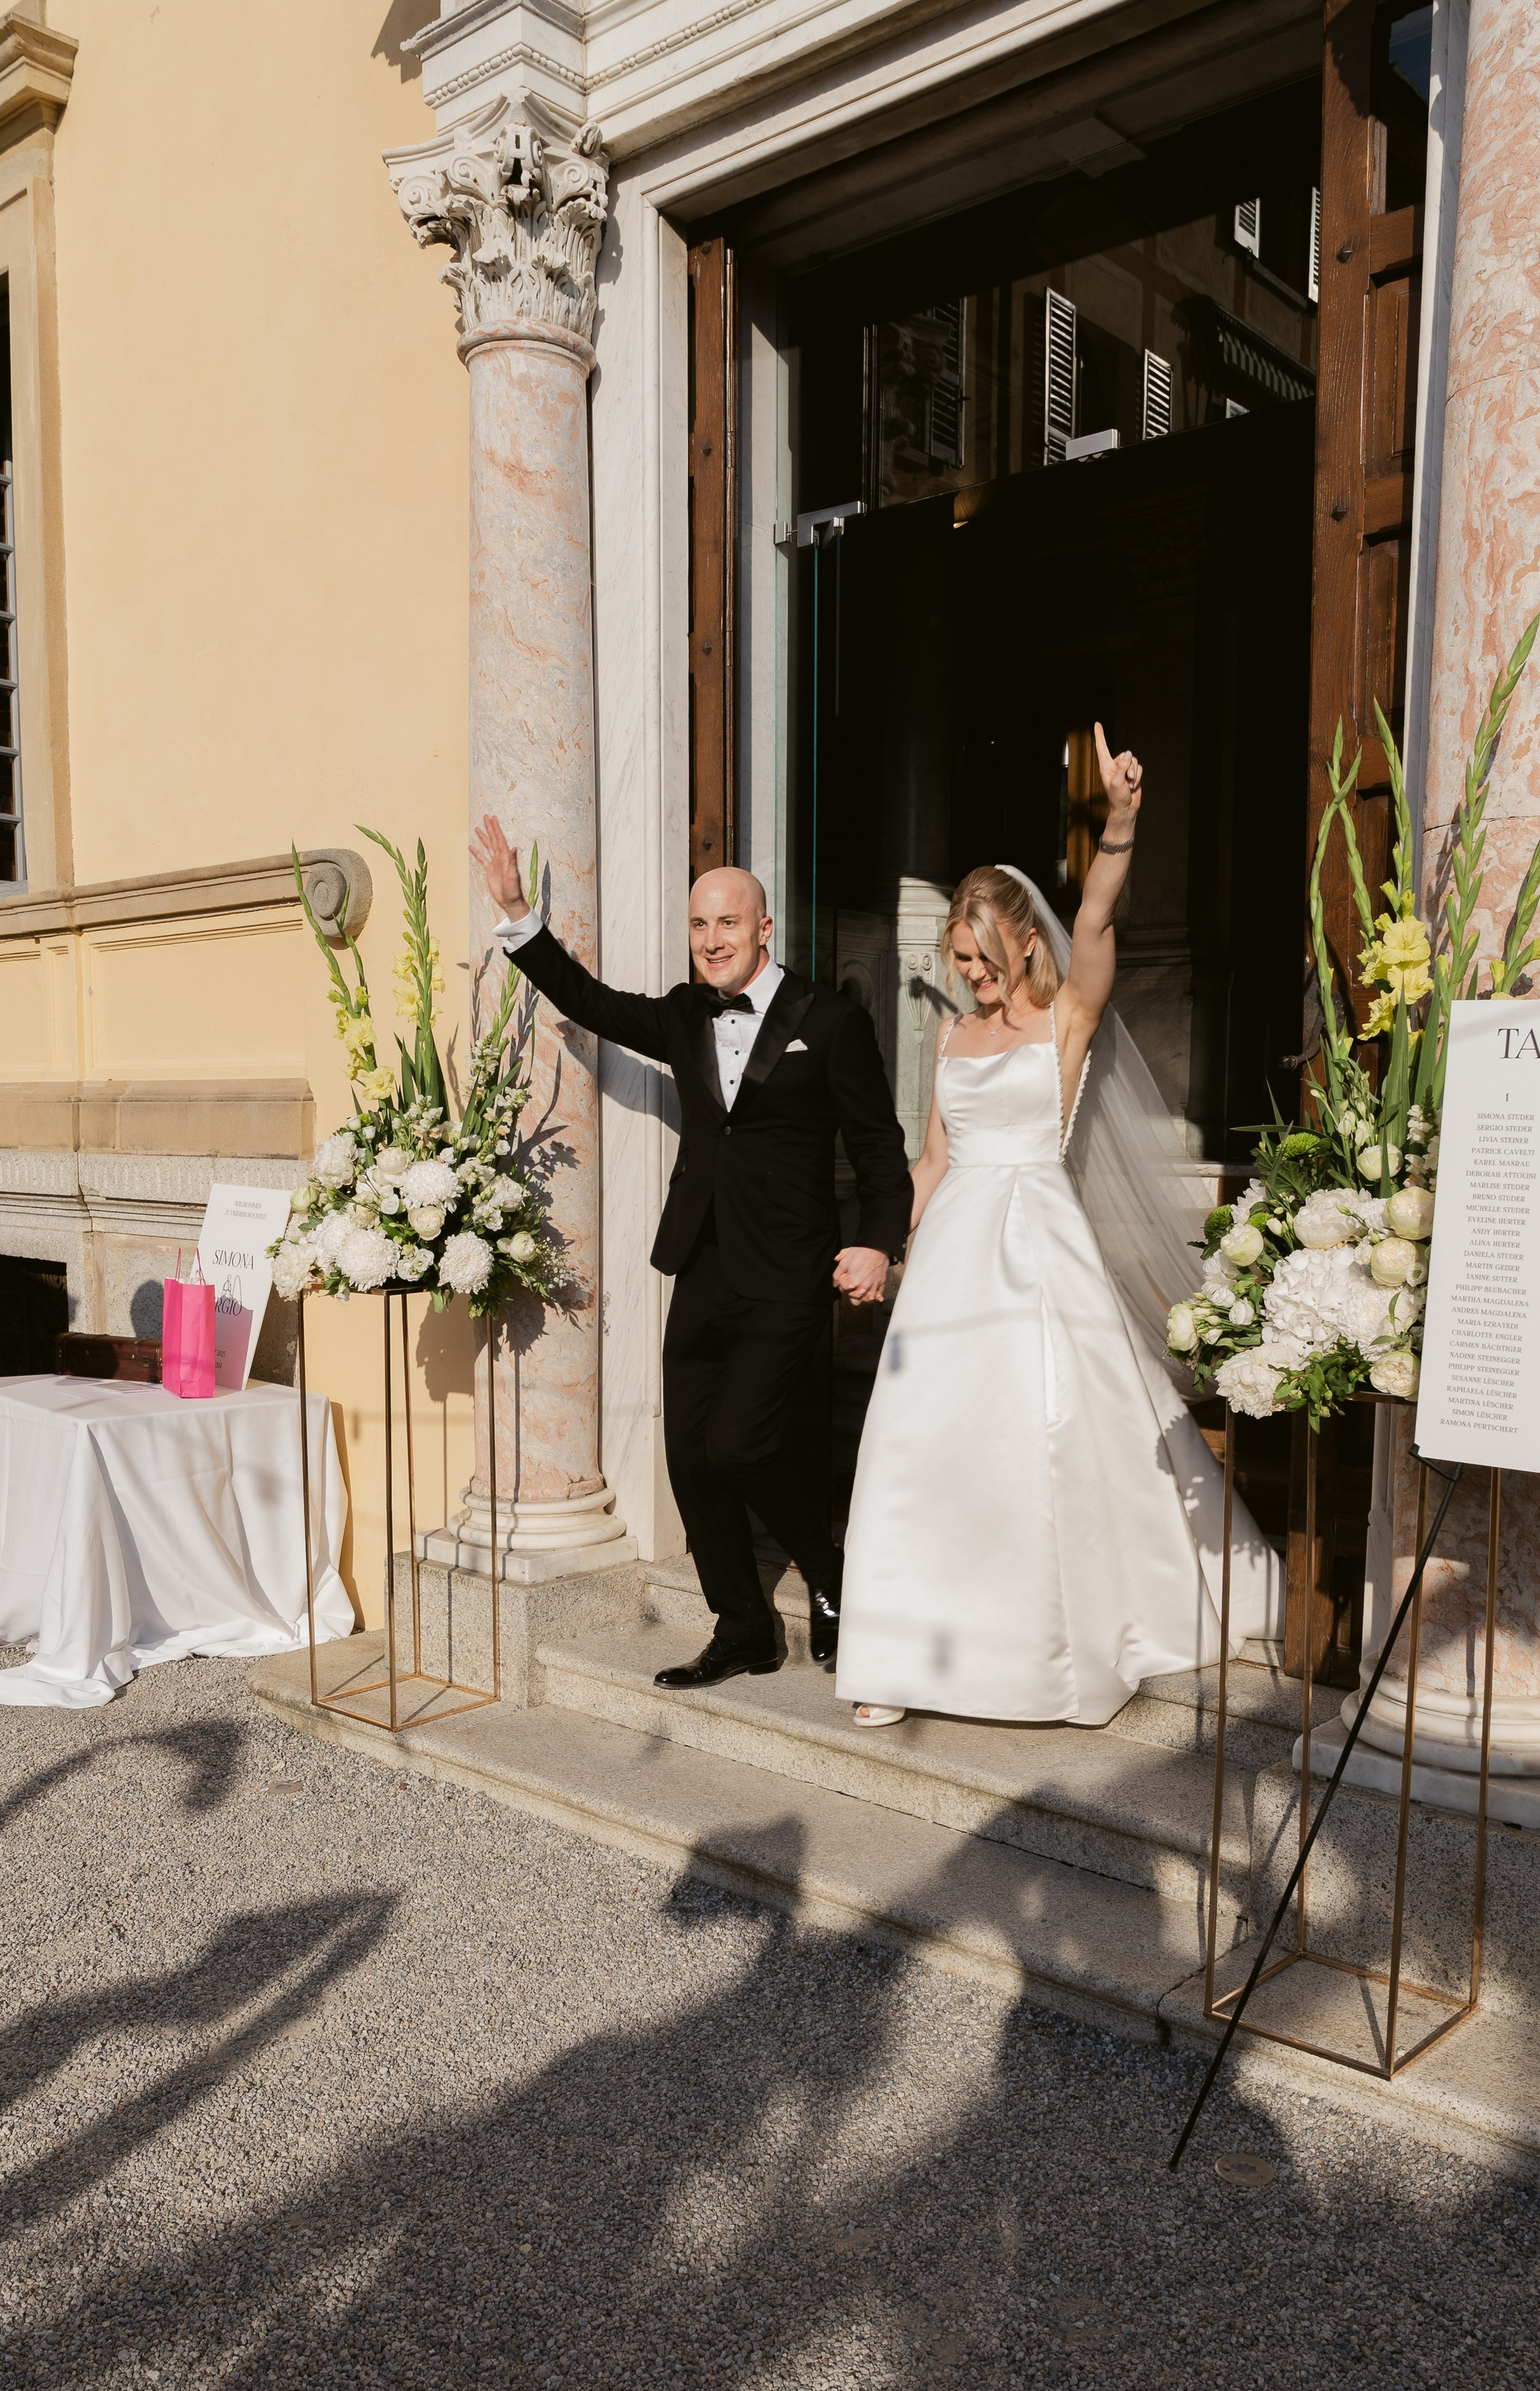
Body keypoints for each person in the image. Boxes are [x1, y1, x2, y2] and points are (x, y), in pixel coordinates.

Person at [835, 725, 1279, 1729]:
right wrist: (882, 1243)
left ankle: (1045, 1655)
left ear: (1025, 941)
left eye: (984, 958)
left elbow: (1098, 917)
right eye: (960, 961)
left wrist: (1118, 823)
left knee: (1038, 1442)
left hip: (1037, 1246)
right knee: (918, 1448)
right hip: (950, 1259)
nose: (972, 976)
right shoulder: (952, 1033)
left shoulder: (1068, 1016)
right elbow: (933, 1163)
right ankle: (896, 1659)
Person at [470, 822, 913, 1687]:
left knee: (742, 1444)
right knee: (690, 1454)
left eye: (728, 923)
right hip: (702, 1262)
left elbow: (878, 1148)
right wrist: (518, 911)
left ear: (763, 928)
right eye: (700, 925)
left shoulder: (830, 1019)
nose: (712, 940)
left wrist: (876, 1241)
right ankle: (742, 1625)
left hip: (789, 1269)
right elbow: (592, 1002)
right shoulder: (683, 1011)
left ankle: (828, 1568)